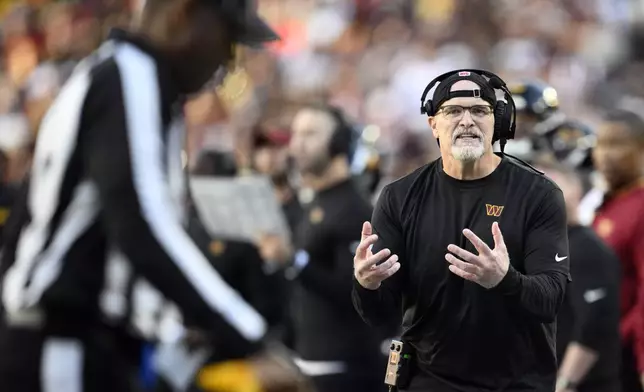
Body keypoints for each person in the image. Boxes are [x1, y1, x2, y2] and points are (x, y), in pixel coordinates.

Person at [0, 0, 307, 391]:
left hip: (85, 344)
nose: (228, 61)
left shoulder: (133, 81)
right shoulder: (129, 77)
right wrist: (250, 338)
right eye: (227, 39)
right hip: (64, 344)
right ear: (184, 13)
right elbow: (141, 225)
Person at [352, 69, 570, 392]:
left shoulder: (539, 194)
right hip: (428, 381)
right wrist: (365, 285)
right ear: (433, 124)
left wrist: (504, 280)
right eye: (453, 110)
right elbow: (380, 316)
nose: (467, 120)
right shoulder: (399, 197)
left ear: (496, 121)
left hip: (515, 383)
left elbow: (552, 299)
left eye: (480, 111)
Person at [286, 104, 387, 392]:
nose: (298, 144)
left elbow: (355, 293)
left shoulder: (354, 210)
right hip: (309, 360)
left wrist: (295, 263)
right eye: (295, 134)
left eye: (310, 134)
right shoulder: (313, 202)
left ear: (338, 142)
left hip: (346, 367)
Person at [535, 157, 621, 392]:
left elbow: (596, 321)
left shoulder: (587, 248)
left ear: (575, 190)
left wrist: (566, 383)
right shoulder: (548, 249)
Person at [590, 109, 644, 392]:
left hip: (626, 359)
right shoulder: (605, 205)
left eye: (618, 144)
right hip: (597, 355)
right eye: (601, 144)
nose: (606, 154)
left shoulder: (640, 207)